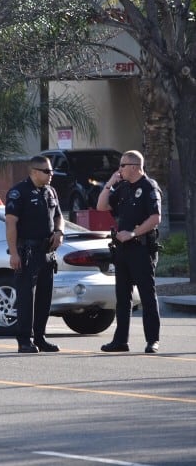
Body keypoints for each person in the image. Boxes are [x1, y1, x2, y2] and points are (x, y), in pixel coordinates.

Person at [96, 150, 162, 354]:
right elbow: (101, 206)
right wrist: (110, 183)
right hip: (122, 250)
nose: (119, 169)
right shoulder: (123, 187)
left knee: (147, 296)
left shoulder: (149, 187)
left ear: (134, 166)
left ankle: (152, 340)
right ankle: (120, 341)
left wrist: (133, 233)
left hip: (141, 248)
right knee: (122, 298)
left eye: (122, 166)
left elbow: (155, 218)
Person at [5, 155, 65, 353]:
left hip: (46, 251)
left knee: (44, 298)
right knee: (26, 298)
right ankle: (24, 339)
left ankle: (40, 337)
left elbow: (59, 217)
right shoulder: (18, 192)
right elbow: (11, 224)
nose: (51, 174)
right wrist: (14, 254)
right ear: (33, 172)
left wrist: (59, 232)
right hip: (27, 251)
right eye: (46, 171)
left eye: (52, 171)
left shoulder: (51, 191)